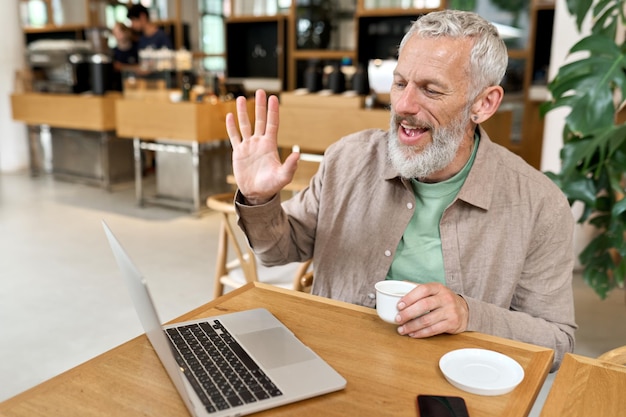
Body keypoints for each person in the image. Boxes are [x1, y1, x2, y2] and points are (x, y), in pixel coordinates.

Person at [225, 10, 576, 371]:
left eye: (431, 89)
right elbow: (278, 251)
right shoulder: (349, 158)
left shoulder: (539, 204)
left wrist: (470, 315)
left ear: (483, 104)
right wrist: (259, 199)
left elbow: (557, 341)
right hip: (333, 364)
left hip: (453, 383)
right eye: (399, 83)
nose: (404, 106)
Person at [110, 22, 138, 91]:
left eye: (120, 32)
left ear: (126, 32)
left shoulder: (136, 49)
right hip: (117, 88)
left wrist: (122, 67)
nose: (118, 35)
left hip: (135, 86)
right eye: (115, 33)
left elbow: (141, 68)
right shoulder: (112, 52)